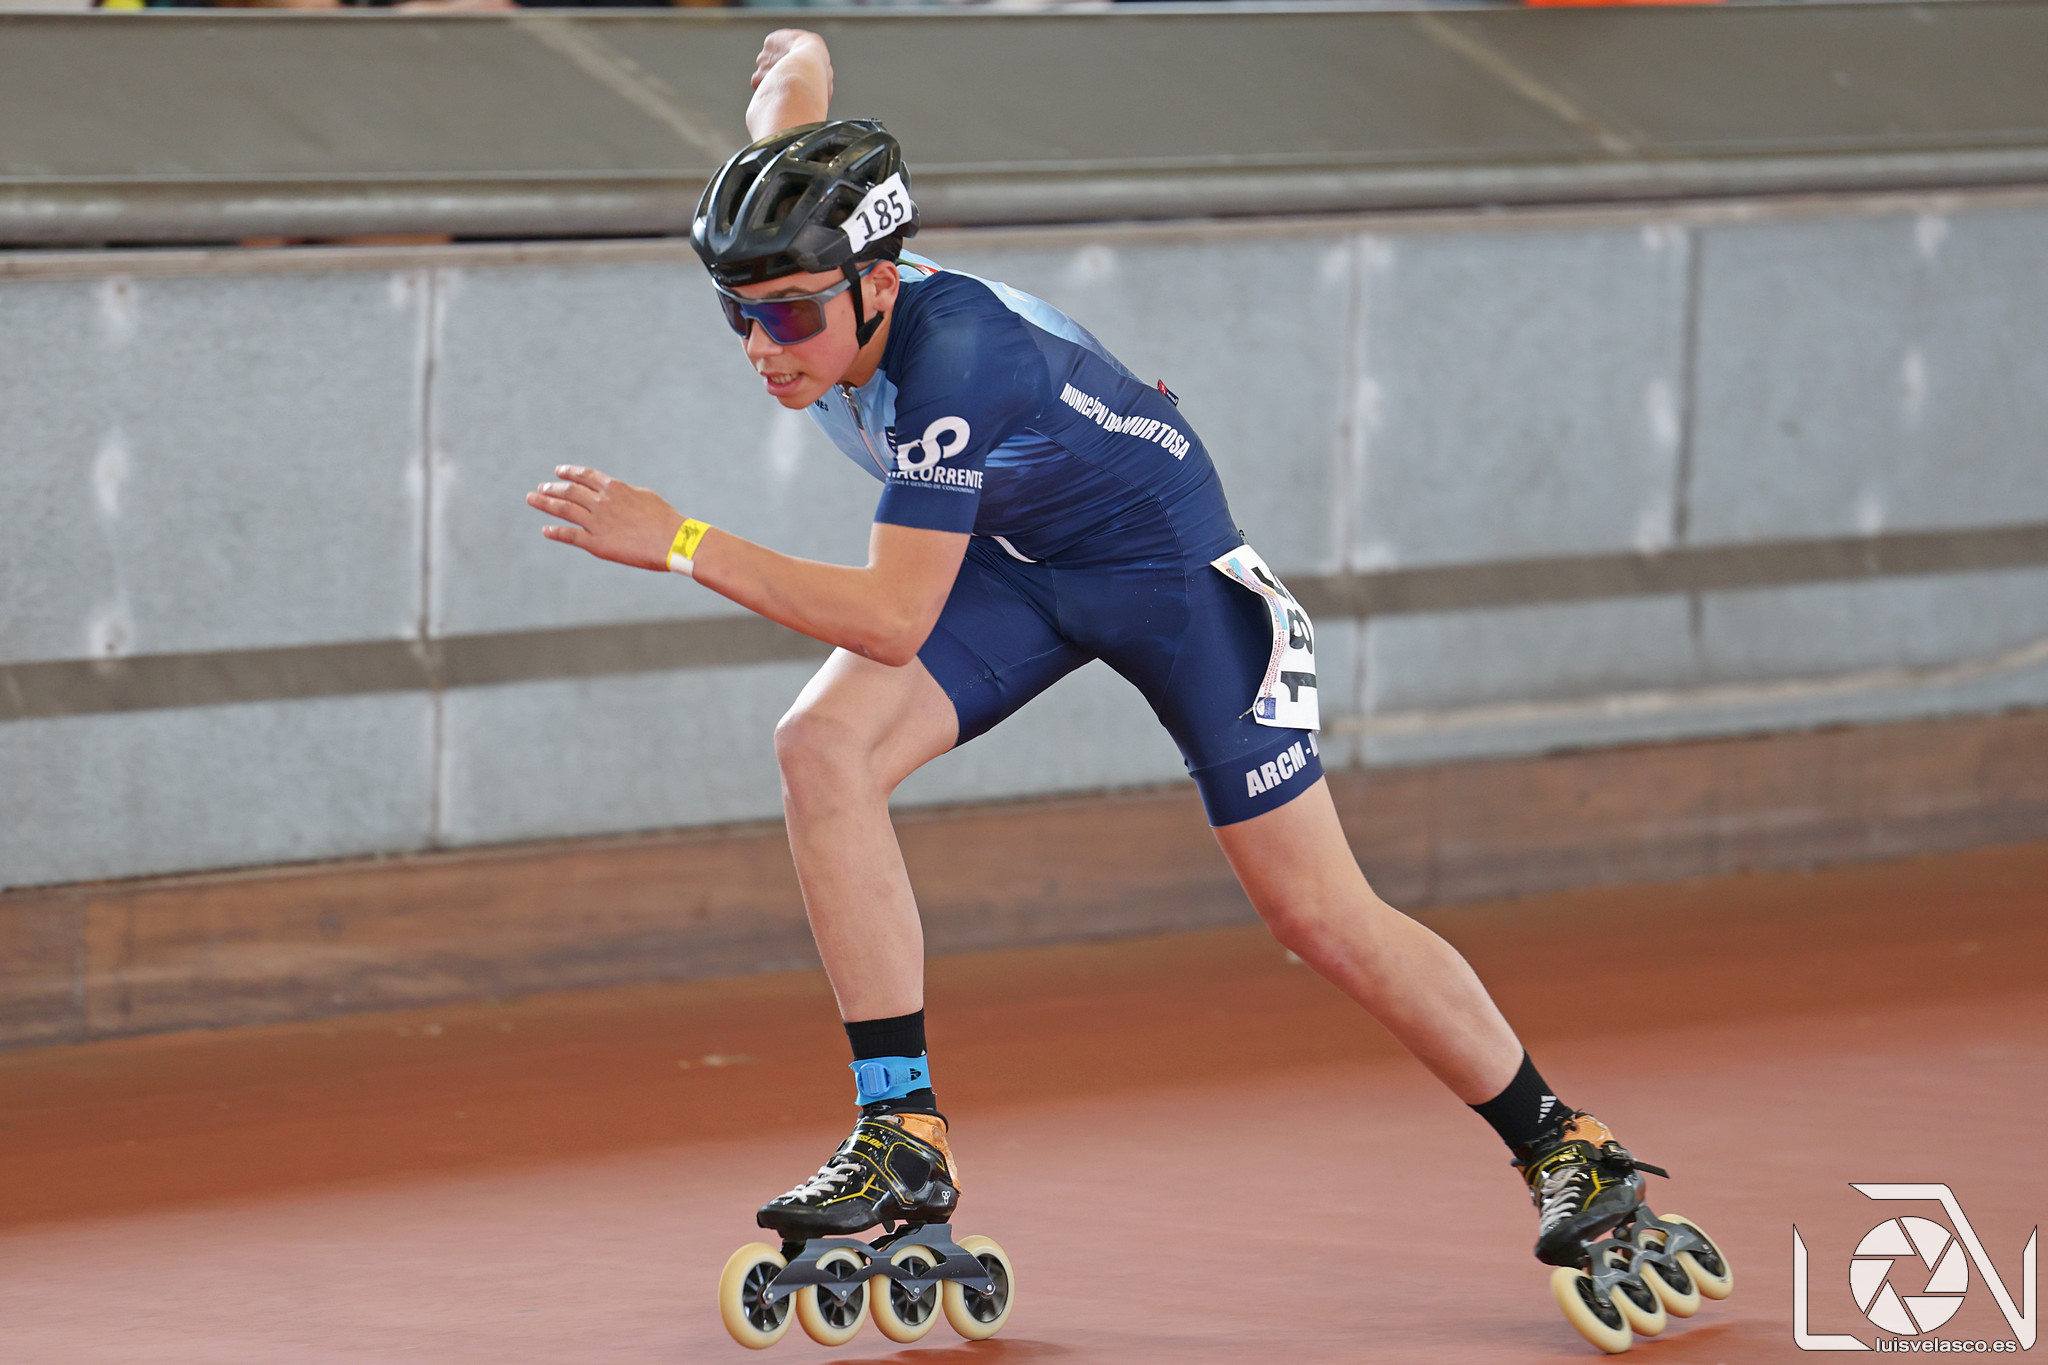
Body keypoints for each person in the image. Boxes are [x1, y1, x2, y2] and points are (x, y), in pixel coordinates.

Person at [527, 28, 1724, 1348]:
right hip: (1024, 563)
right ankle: (899, 1129)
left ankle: (1569, 1148)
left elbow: (890, 616)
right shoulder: (806, 256)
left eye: (794, 316)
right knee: (822, 749)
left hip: (1172, 578)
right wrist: (798, 65)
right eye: (738, 313)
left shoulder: (957, 364)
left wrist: (682, 540)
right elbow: (787, 131)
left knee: (1317, 913)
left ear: (878, 282)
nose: (764, 344)